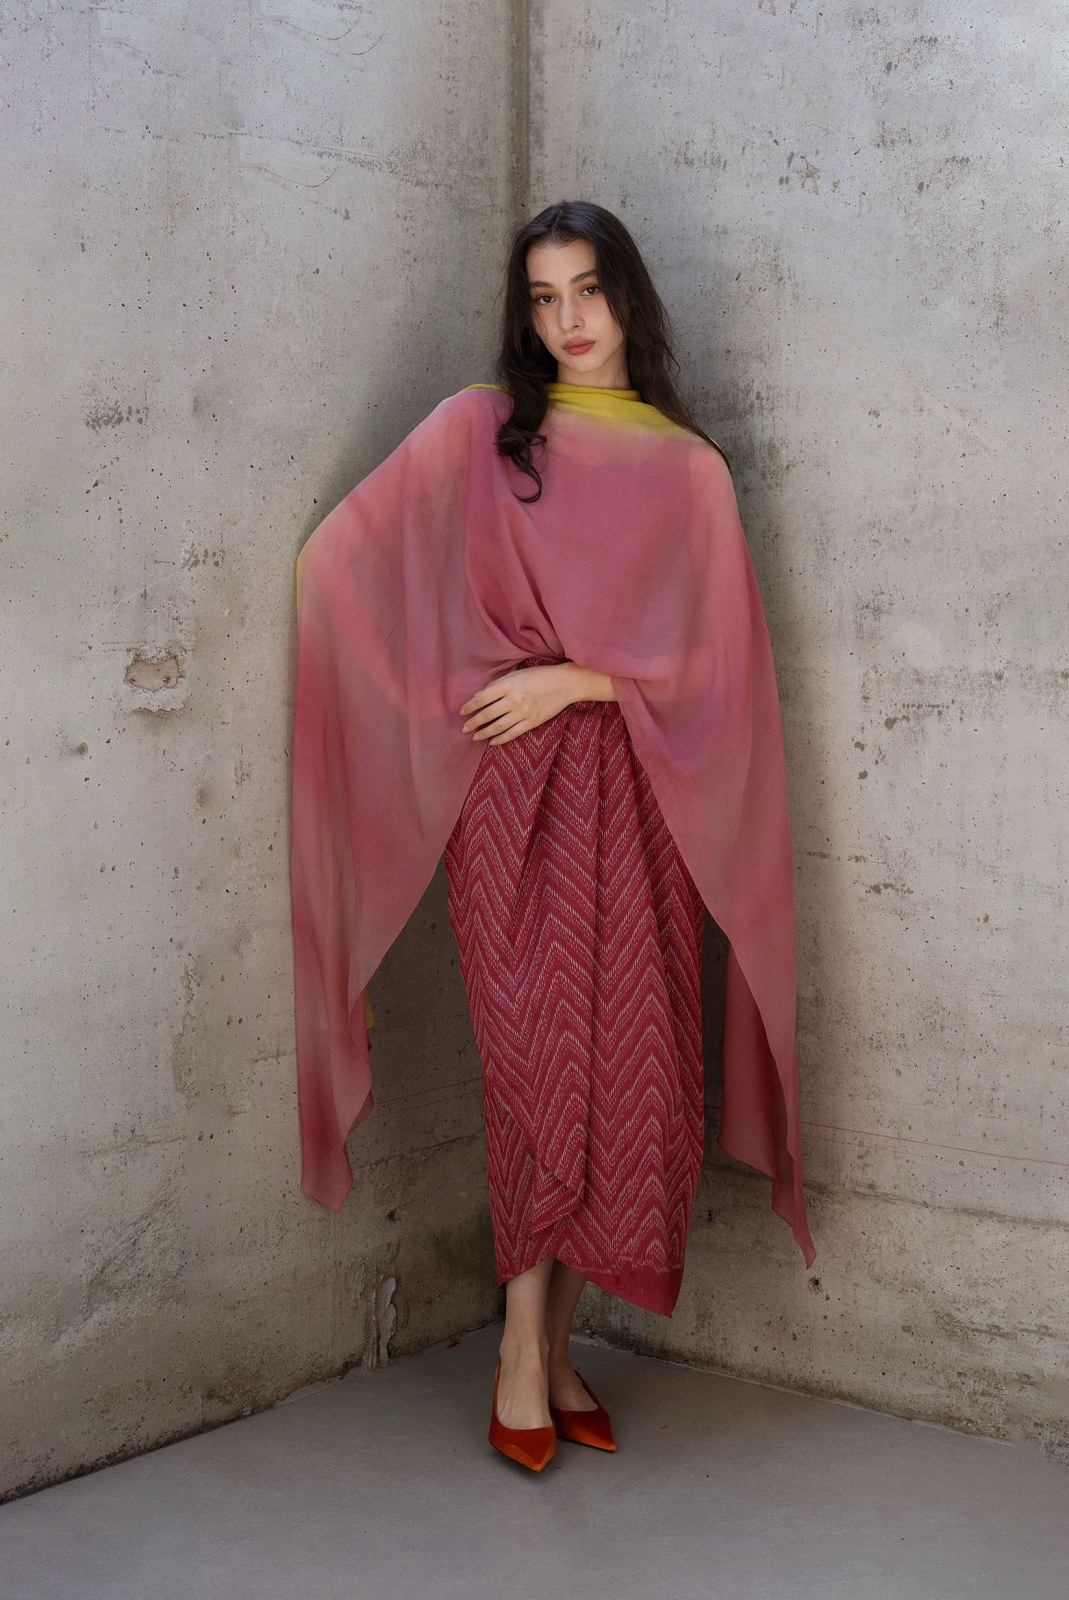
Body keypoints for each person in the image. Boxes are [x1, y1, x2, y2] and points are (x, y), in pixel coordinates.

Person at [289, 200, 815, 1474]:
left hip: (643, 787)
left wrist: (580, 680)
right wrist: (455, 690)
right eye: (542, 296)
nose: (568, 320)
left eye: (587, 289)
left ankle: (553, 1348)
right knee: (536, 1066)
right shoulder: (484, 429)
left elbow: (718, 667)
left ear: (628, 296)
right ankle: (521, 1354)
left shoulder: (690, 471)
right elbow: (337, 567)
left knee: (633, 1075)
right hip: (508, 793)